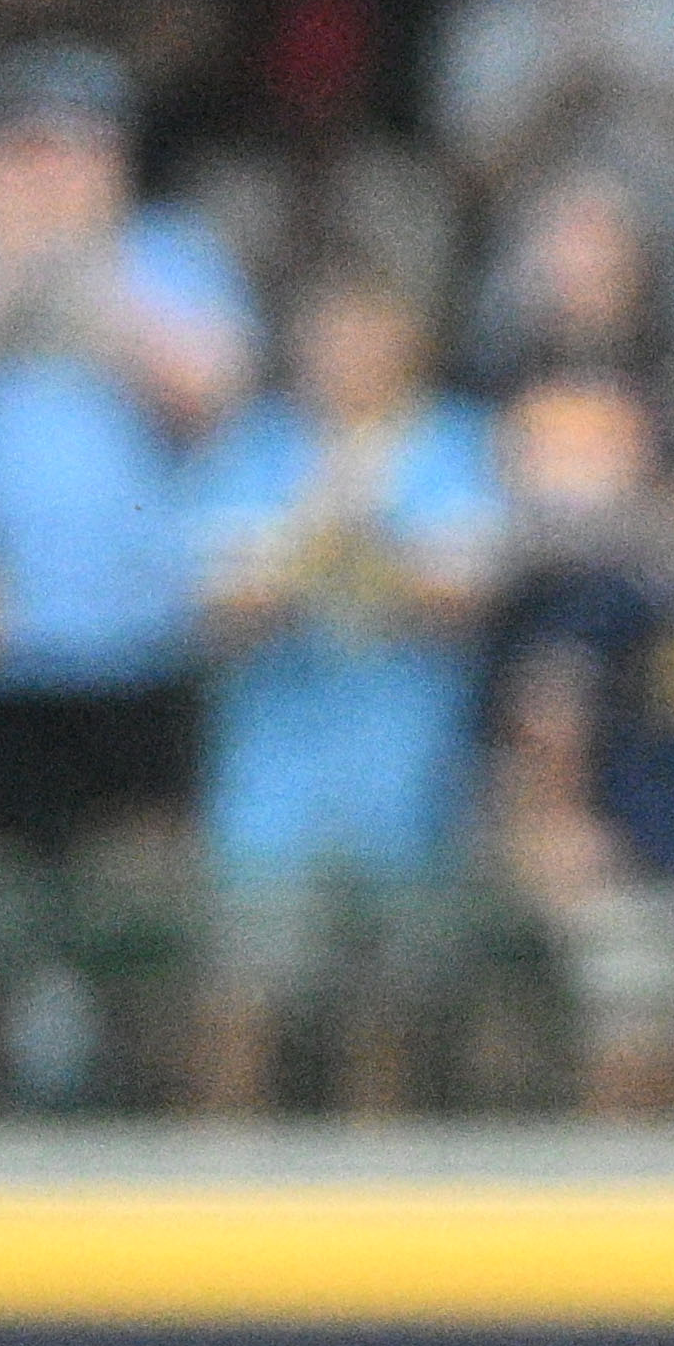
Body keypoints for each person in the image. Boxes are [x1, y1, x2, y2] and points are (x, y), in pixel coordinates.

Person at [0, 38, 247, 1097]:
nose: (49, 176)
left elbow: (205, 389)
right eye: (24, 153)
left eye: (72, 152)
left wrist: (88, 269)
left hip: (136, 642)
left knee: (144, 913)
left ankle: (152, 1127)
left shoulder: (165, 256)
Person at [177, 263, 505, 1111]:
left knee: (388, 1013)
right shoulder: (258, 448)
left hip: (407, 773)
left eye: (368, 337)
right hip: (274, 779)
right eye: (331, 338)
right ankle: (223, 1197)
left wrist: (334, 558)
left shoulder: (453, 444)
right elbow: (219, 600)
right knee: (244, 996)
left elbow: (466, 591)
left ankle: (382, 1196)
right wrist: (334, 548)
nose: (347, 358)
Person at [475, 371, 674, 1115]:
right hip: (627, 838)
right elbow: (551, 705)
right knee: (627, 1038)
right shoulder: (610, 585)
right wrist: (557, 819)